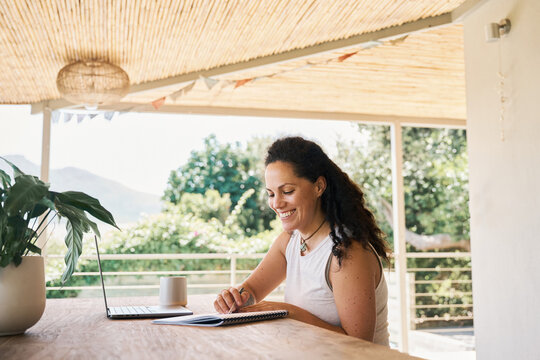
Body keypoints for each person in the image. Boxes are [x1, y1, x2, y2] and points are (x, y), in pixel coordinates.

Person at [213, 136, 390, 346]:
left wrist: (288, 312)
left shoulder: (347, 253)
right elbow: (251, 291)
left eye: (287, 191)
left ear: (319, 187)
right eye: (271, 194)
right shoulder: (290, 241)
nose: (276, 203)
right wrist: (235, 298)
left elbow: (359, 345)